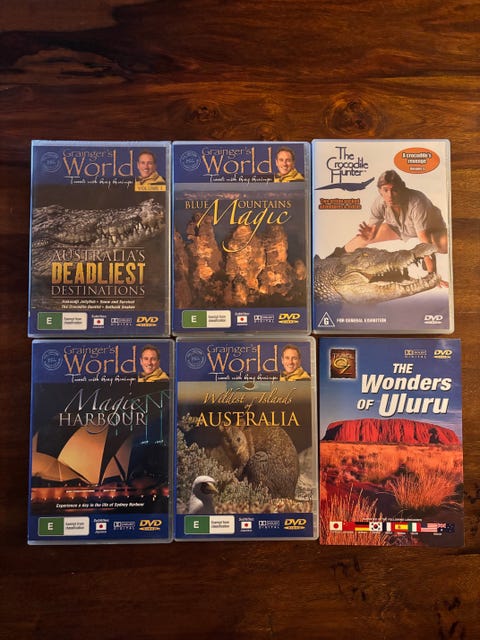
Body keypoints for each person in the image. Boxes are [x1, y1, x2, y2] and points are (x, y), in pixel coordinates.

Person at [332, 170, 448, 285]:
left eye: (394, 190)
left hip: (430, 230)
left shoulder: (417, 201)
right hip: (400, 228)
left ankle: (426, 260)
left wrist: (432, 275)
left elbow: (425, 243)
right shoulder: (379, 203)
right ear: (380, 191)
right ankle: (333, 258)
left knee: (444, 246)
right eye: (385, 190)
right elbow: (371, 230)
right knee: (363, 237)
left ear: (402, 188)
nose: (390, 195)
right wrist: (370, 235)